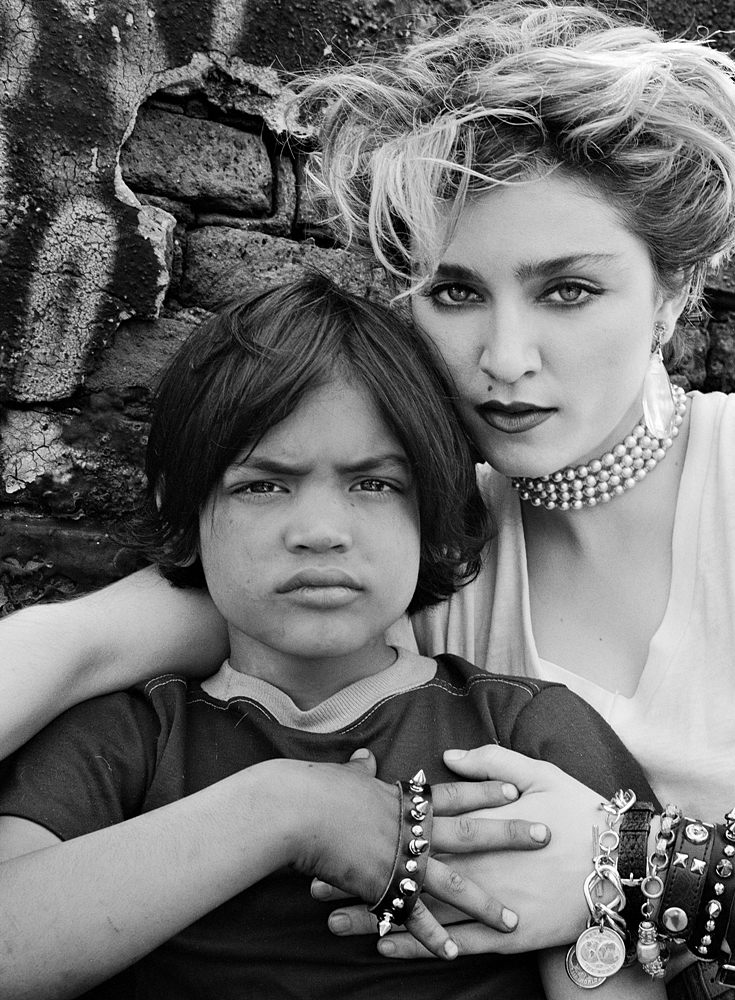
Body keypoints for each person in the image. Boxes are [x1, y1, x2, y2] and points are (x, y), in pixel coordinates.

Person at [1, 3, 735, 999]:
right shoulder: (413, 541)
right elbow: (82, 648)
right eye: (456, 292)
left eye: (568, 291)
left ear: (671, 292)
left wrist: (636, 868)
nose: (505, 358)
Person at [0, 274, 660, 999]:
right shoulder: (127, 737)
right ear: (181, 509)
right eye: (263, 485)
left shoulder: (525, 734)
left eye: (373, 483)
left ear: (432, 509)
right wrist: (283, 814)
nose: (319, 531)